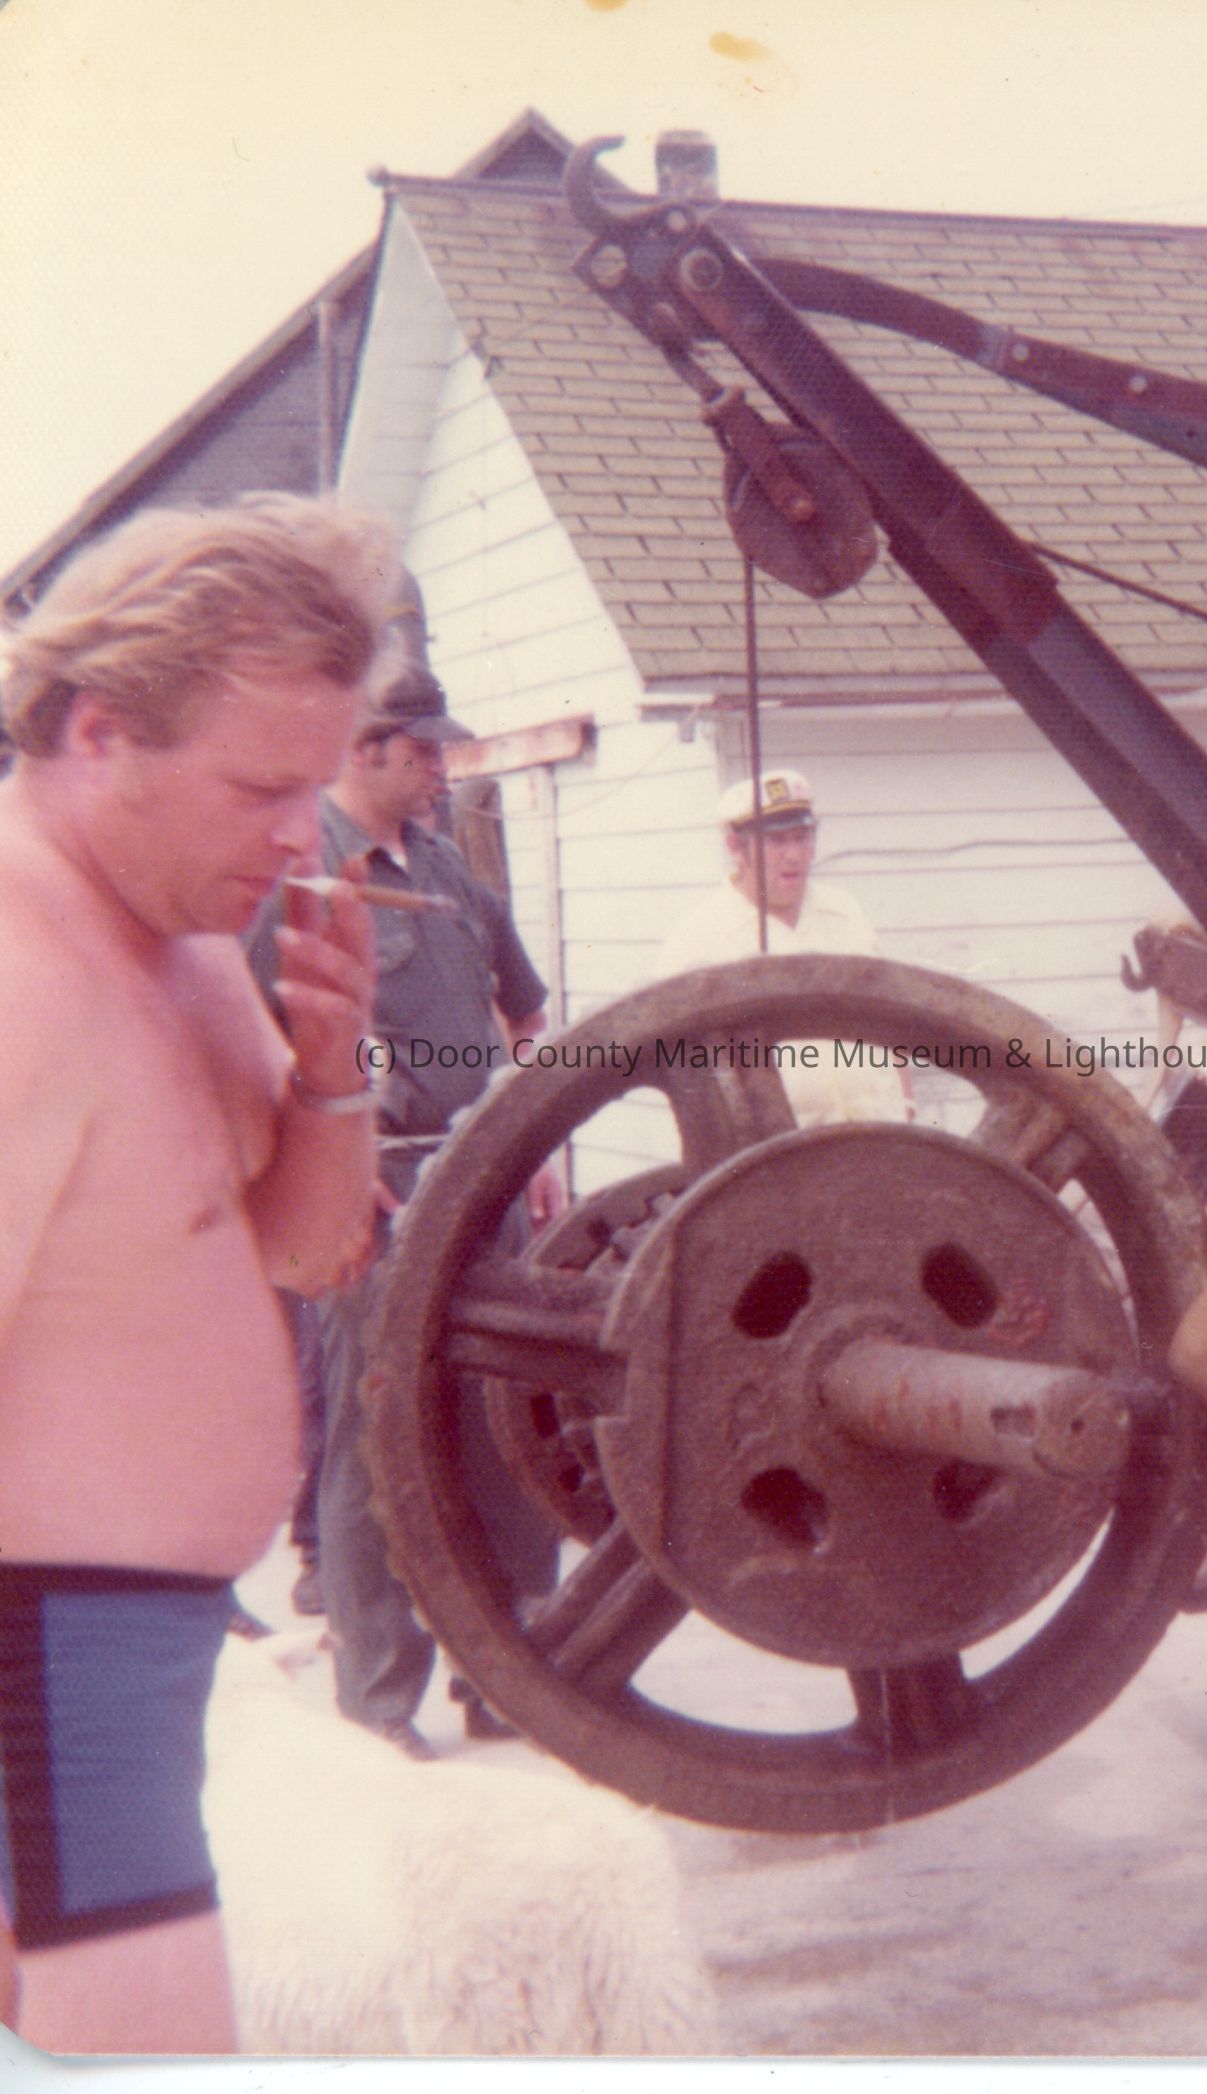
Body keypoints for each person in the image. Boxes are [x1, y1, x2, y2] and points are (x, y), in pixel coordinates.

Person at [0, 497, 391, 2053]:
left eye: (317, 784)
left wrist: (334, 1070)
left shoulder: (182, 938)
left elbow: (302, 1248)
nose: (306, 835)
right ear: (101, 733)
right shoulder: (19, 970)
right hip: (41, 1665)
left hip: (127, 1655)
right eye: (263, 788)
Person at [245, 667, 565, 1762]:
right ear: (365, 747)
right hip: (375, 1200)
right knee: (376, 1438)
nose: (441, 769)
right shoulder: (299, 875)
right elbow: (252, 1040)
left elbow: (527, 1014)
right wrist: (329, 1161)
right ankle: (379, 1702)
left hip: (485, 1186)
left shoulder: (449, 870)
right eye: (423, 751)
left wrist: (537, 1143)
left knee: (500, 1430)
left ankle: (501, 1675)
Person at [653, 768, 904, 1123]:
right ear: (735, 847)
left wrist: (908, 1103)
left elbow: (890, 1018)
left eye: (802, 837)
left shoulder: (845, 912)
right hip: (787, 1149)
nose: (794, 855)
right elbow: (682, 1075)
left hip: (882, 1134)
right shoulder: (699, 941)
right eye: (777, 841)